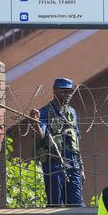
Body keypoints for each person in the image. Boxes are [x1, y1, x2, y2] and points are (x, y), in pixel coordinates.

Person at [29, 77, 84, 207]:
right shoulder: (45, 111)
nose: (67, 95)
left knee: (77, 206)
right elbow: (40, 135)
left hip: (73, 164)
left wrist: (82, 168)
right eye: (63, 91)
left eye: (69, 92)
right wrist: (35, 122)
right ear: (55, 91)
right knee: (55, 205)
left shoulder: (72, 112)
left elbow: (76, 141)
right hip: (53, 164)